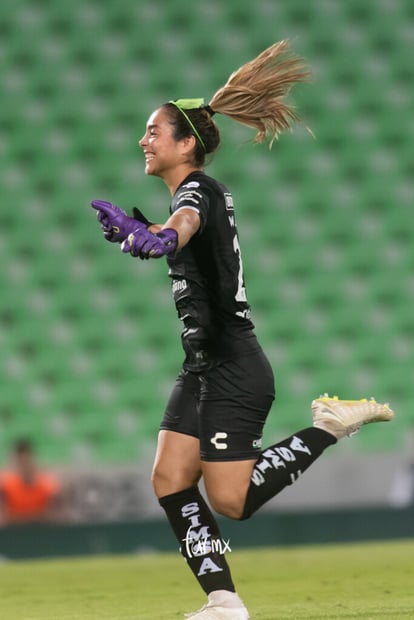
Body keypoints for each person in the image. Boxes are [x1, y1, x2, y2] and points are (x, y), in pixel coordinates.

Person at [90, 41, 394, 620]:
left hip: (232, 365)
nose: (143, 141)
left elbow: (186, 224)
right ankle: (224, 601)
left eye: (154, 131)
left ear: (186, 145)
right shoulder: (187, 197)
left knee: (230, 500)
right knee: (170, 480)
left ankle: (327, 426)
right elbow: (179, 228)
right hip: (202, 365)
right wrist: (142, 227)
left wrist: (162, 236)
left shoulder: (199, 192)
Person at [0, 438, 62, 524]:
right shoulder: (6, 486)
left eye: (27, 460)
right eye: (20, 461)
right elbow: (4, 516)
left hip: (41, 531)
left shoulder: (47, 485)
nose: (24, 465)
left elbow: (53, 514)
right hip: (14, 531)